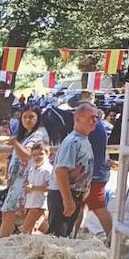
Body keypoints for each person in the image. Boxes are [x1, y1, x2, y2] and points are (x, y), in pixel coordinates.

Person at [47, 101, 98, 237]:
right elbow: (60, 170)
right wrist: (67, 200)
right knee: (57, 239)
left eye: (95, 117)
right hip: (63, 195)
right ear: (78, 119)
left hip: (75, 194)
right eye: (90, 117)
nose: (94, 121)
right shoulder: (72, 142)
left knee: (65, 236)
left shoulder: (84, 140)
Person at [0, 107, 50, 238]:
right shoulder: (28, 135)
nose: (28, 120)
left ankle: (0, 243)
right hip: (19, 179)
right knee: (27, 213)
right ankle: (54, 235)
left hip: (26, 179)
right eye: (25, 117)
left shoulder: (38, 134)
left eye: (31, 117)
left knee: (8, 211)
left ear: (38, 118)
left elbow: (27, 156)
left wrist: (15, 142)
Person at [83, 106, 114, 240]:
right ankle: (74, 233)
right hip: (95, 171)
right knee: (81, 203)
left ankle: (113, 237)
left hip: (94, 173)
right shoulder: (98, 125)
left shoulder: (93, 127)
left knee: (98, 205)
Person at [20, 141, 52, 235]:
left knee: (27, 231)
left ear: (47, 154)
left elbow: (50, 187)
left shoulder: (48, 170)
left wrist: (34, 188)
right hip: (30, 203)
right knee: (45, 229)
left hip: (40, 204)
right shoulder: (32, 169)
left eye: (40, 154)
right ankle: (57, 237)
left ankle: (28, 247)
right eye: (34, 155)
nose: (37, 157)